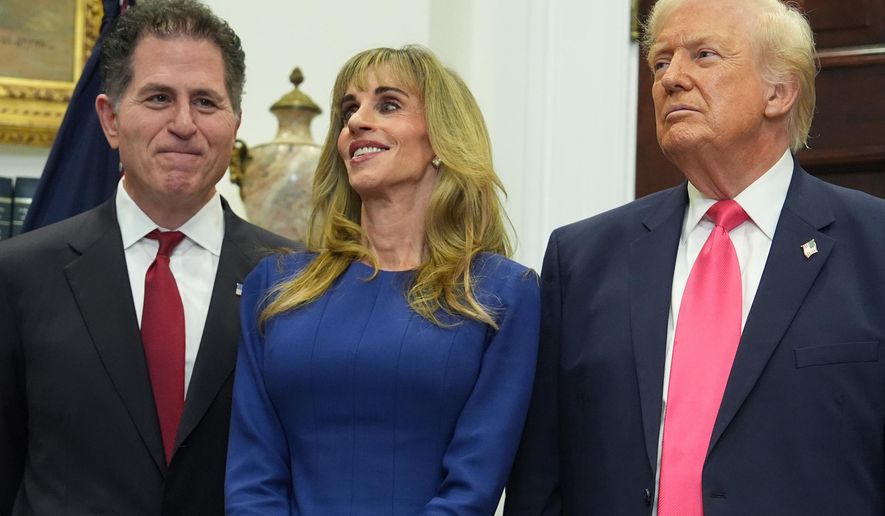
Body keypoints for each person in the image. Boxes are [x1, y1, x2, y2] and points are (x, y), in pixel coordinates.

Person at [506, 0, 885, 514]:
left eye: (703, 55)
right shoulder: (581, 262)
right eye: (661, 62)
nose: (671, 79)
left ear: (779, 91)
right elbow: (541, 480)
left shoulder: (873, 246)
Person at [0, 0, 291, 513]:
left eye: (205, 102)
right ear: (110, 120)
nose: (183, 123)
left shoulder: (293, 279)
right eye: (158, 97)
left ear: (236, 122)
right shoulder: (20, 275)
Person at [225, 45, 540, 515]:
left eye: (387, 104)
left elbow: (472, 488)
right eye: (349, 109)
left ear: (441, 140)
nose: (356, 121)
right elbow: (252, 476)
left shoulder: (501, 294)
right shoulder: (274, 287)